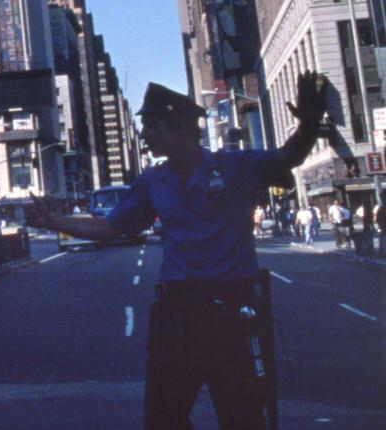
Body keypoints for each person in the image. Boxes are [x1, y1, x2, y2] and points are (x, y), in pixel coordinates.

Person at [27, 73, 329, 430]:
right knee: (164, 417)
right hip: (177, 313)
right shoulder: (153, 182)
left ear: (180, 128)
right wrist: (52, 221)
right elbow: (111, 226)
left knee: (242, 415)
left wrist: (309, 125)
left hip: (231, 310)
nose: (146, 135)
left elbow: (287, 157)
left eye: (153, 125)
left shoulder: (235, 166)